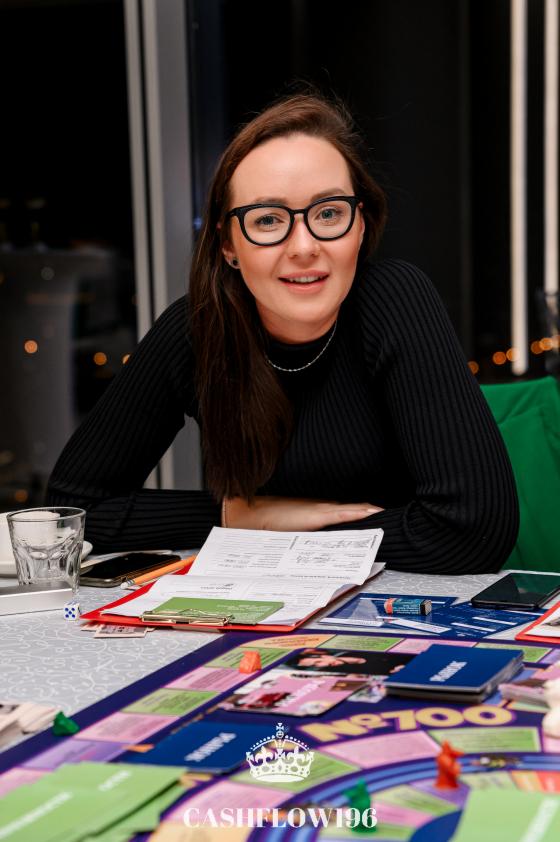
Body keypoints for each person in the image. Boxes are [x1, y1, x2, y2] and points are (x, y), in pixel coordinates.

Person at [46, 92, 519, 573]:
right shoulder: (197, 330)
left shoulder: (395, 300)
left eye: (329, 213)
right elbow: (68, 514)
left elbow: (472, 532)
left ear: (361, 225)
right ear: (228, 245)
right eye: (268, 220)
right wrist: (233, 517)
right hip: (260, 603)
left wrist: (284, 532)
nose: (304, 246)